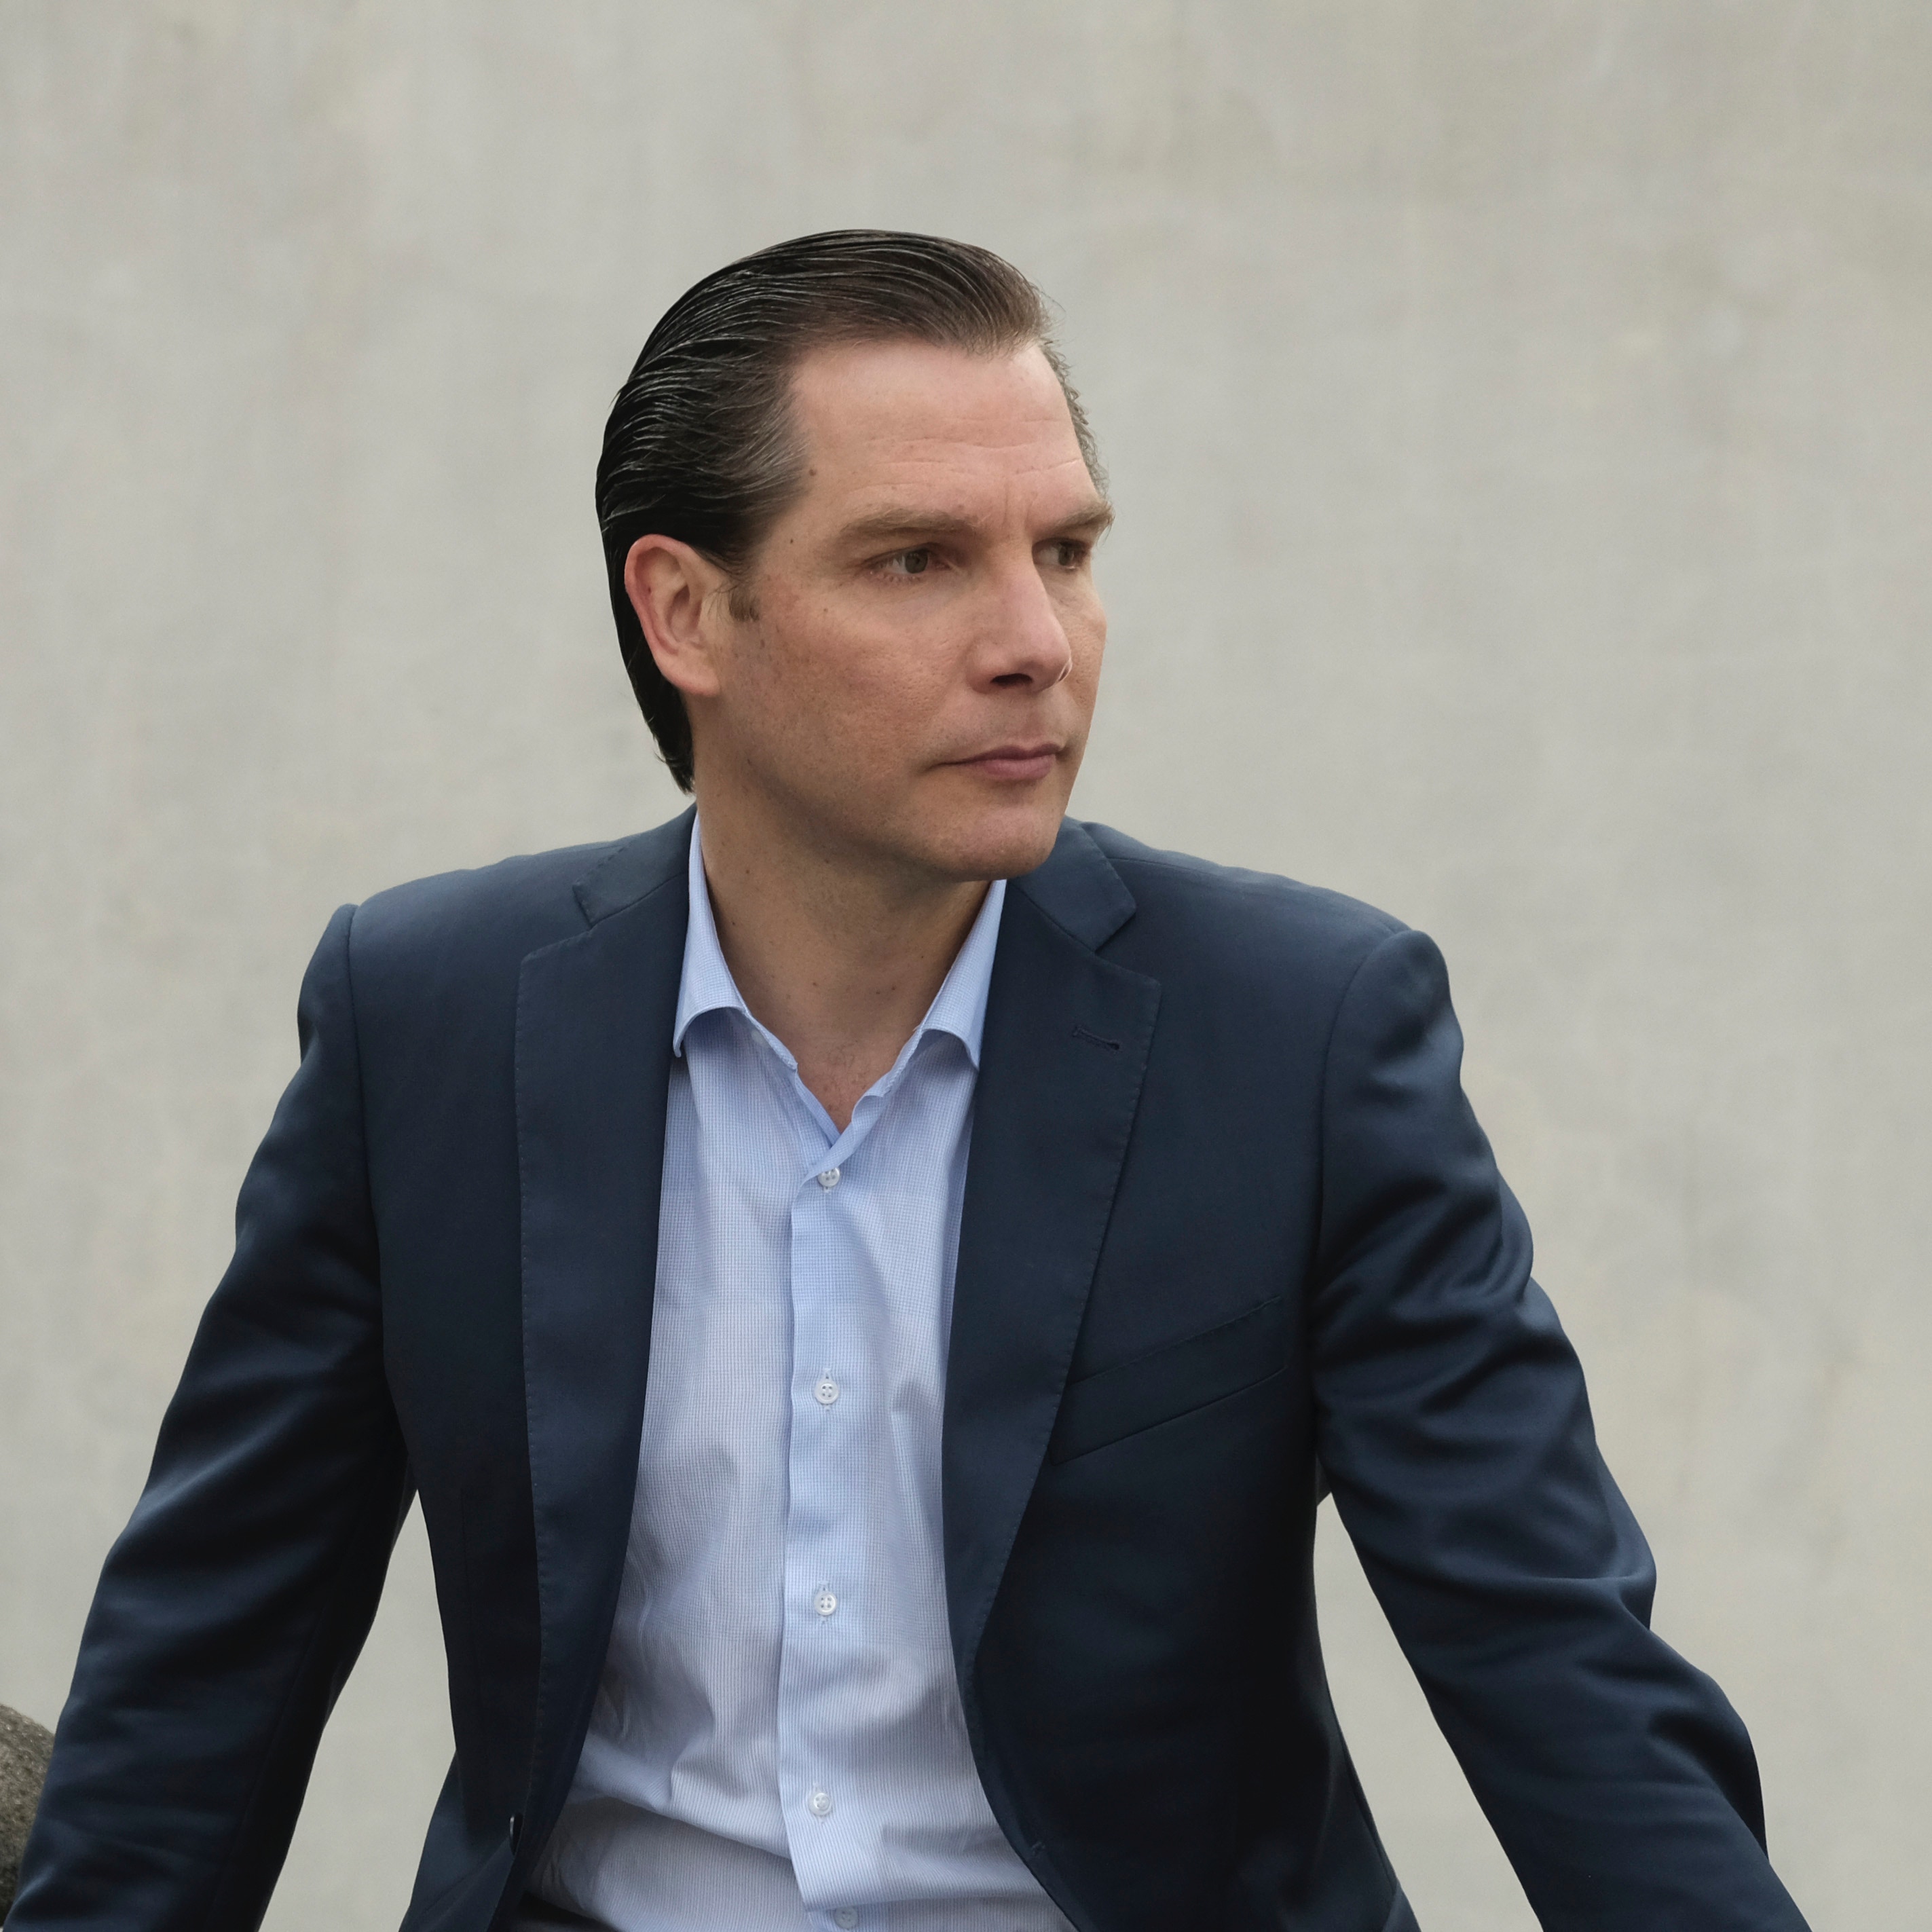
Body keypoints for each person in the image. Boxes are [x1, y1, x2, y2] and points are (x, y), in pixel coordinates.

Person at [12, 231, 1810, 1932]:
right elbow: (218, 1644)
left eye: (1068, 551)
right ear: (687, 611)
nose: (1037, 639)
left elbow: (1551, 1658)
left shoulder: (1302, 1037)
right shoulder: (430, 1021)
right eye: (919, 561)